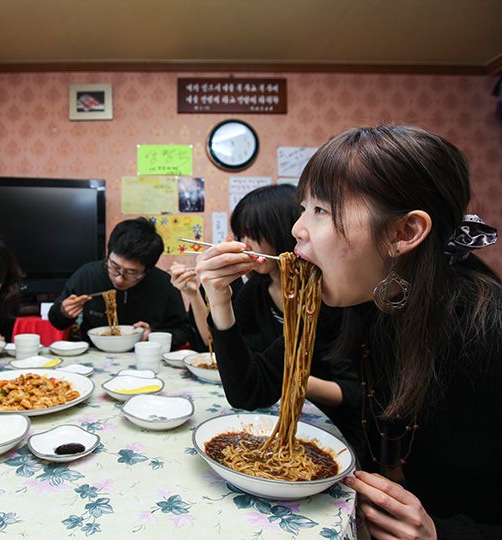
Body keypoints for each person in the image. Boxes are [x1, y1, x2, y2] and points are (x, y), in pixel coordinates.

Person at [199, 125, 501, 538]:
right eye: (303, 208)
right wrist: (219, 300)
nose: (297, 230)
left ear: (404, 233)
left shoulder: (486, 332)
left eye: (321, 210)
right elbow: (251, 391)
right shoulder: (351, 302)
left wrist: (444, 534)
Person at [185, 185, 364, 461]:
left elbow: (355, 393)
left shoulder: (328, 297)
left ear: (281, 231)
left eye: (253, 234)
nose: (245, 244)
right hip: (279, 422)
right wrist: (217, 298)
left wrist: (289, 378)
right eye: (241, 234)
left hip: (339, 431)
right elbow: (244, 380)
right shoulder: (257, 287)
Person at [48, 217, 192, 349]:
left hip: (145, 357)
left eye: (131, 273)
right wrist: (63, 312)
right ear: (108, 253)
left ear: (148, 269)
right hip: (95, 355)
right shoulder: (87, 274)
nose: (119, 279)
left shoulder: (164, 285)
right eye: (114, 266)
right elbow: (57, 321)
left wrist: (153, 335)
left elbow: (183, 331)